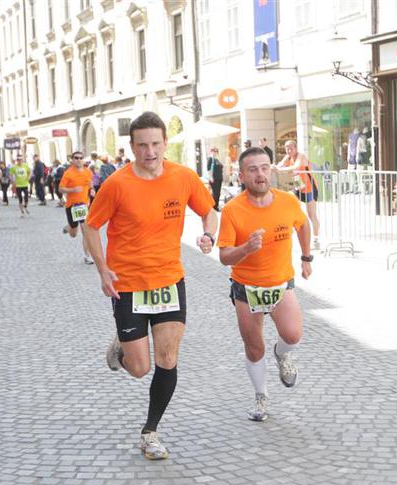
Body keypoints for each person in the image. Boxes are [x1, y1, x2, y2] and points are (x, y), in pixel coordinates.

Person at [82, 112, 218, 461]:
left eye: (156, 144)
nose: (150, 151)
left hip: (169, 280)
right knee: (140, 368)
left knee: (168, 358)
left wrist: (208, 234)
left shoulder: (183, 177)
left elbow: (209, 211)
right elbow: (91, 226)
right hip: (128, 284)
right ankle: (122, 351)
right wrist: (102, 270)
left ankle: (150, 431)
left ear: (165, 143)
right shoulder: (118, 184)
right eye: (142, 145)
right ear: (132, 147)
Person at [218, 146, 312, 421]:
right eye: (252, 170)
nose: (260, 174)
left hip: (280, 283)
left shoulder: (287, 201)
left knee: (293, 335)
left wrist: (306, 257)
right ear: (241, 176)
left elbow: (303, 224)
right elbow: (224, 256)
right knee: (254, 346)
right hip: (246, 288)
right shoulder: (232, 210)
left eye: (264, 168)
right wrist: (246, 248)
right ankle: (261, 397)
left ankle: (282, 354)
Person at [274, 140, 320, 250]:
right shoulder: (288, 157)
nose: (289, 150)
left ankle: (316, 240)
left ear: (296, 148)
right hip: (298, 184)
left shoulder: (301, 156)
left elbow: (296, 167)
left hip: (309, 187)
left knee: (311, 214)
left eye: (291, 148)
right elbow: (279, 165)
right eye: (287, 148)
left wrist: (280, 170)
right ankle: (289, 229)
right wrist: (273, 167)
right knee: (288, 202)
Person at [58, 151, 94, 264]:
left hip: (84, 205)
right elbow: (60, 189)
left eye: (80, 158)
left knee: (86, 231)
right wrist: (72, 190)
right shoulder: (68, 173)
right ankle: (70, 227)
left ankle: (87, 256)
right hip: (71, 206)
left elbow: (90, 184)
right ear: (72, 160)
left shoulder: (88, 172)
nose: (78, 160)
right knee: (73, 234)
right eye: (76, 158)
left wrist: (92, 190)